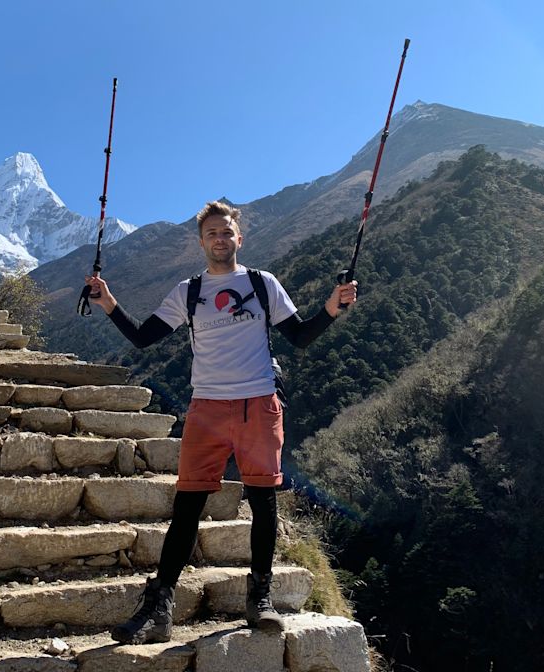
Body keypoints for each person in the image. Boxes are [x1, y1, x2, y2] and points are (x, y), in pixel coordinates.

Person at [84, 200, 357, 644]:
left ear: (238, 237)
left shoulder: (261, 284)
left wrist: (331, 306)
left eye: (226, 232)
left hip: (258, 403)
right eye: (212, 233)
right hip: (207, 409)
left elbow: (300, 336)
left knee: (263, 503)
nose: (220, 239)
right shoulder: (187, 292)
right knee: (187, 507)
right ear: (201, 242)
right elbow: (143, 338)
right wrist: (109, 301)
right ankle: (160, 606)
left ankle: (260, 599)